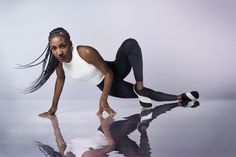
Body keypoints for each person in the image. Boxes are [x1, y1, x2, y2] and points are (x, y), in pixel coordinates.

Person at [19, 27, 199, 116]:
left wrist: (103, 99)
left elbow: (109, 74)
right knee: (144, 95)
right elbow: (60, 80)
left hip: (114, 70)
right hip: (105, 85)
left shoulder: (85, 52)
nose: (59, 52)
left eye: (63, 46)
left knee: (130, 43)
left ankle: (140, 84)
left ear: (70, 43)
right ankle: (180, 97)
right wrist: (53, 108)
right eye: (54, 48)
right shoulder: (58, 62)